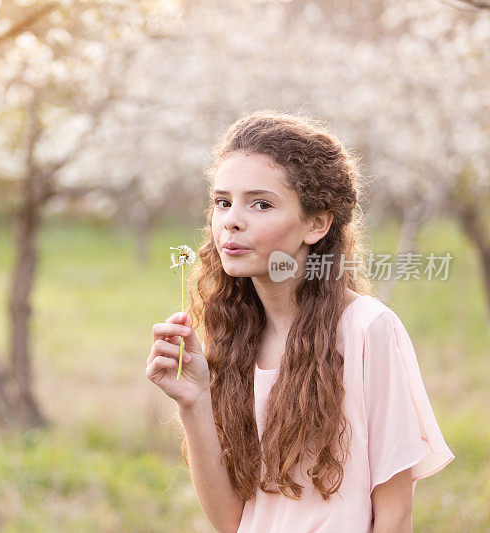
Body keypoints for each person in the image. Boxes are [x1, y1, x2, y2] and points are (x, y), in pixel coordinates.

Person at [145, 110, 455, 533]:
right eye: (222, 201)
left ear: (316, 223)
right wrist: (194, 401)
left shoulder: (367, 330)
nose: (231, 219)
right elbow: (233, 521)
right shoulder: (231, 336)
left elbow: (395, 518)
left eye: (261, 203)